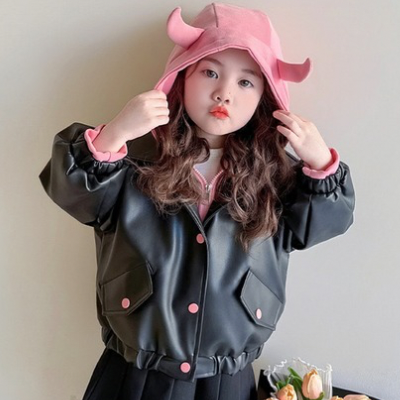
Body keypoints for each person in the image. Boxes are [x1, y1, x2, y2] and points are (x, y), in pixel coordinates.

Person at [39, 3, 355, 400]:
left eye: (246, 81)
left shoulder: (276, 175)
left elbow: (324, 223)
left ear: (266, 95)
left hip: (227, 378)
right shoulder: (136, 157)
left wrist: (321, 163)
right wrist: (115, 133)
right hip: (133, 372)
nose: (224, 92)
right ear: (182, 76)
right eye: (210, 72)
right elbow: (72, 193)